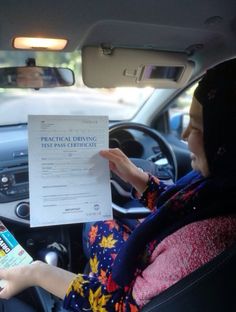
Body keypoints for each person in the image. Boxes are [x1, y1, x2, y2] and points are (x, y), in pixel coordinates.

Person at [0, 58, 236, 311]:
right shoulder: (222, 188)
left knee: (95, 221)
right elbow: (181, 207)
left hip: (126, 292)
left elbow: (120, 306)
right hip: (151, 260)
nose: (184, 135)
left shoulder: (199, 243)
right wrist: (135, 176)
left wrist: (36, 273)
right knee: (102, 219)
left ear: (227, 138)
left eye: (197, 127)